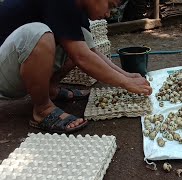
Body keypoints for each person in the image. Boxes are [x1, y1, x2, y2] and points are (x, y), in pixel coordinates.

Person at [0, 0, 152, 133]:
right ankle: (42, 110)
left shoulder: (77, 9)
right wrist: (125, 83)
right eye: (110, 6)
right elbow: (82, 57)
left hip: (18, 71)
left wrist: (126, 76)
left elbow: (90, 52)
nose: (108, 14)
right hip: (4, 77)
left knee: (82, 37)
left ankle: (50, 91)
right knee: (38, 34)